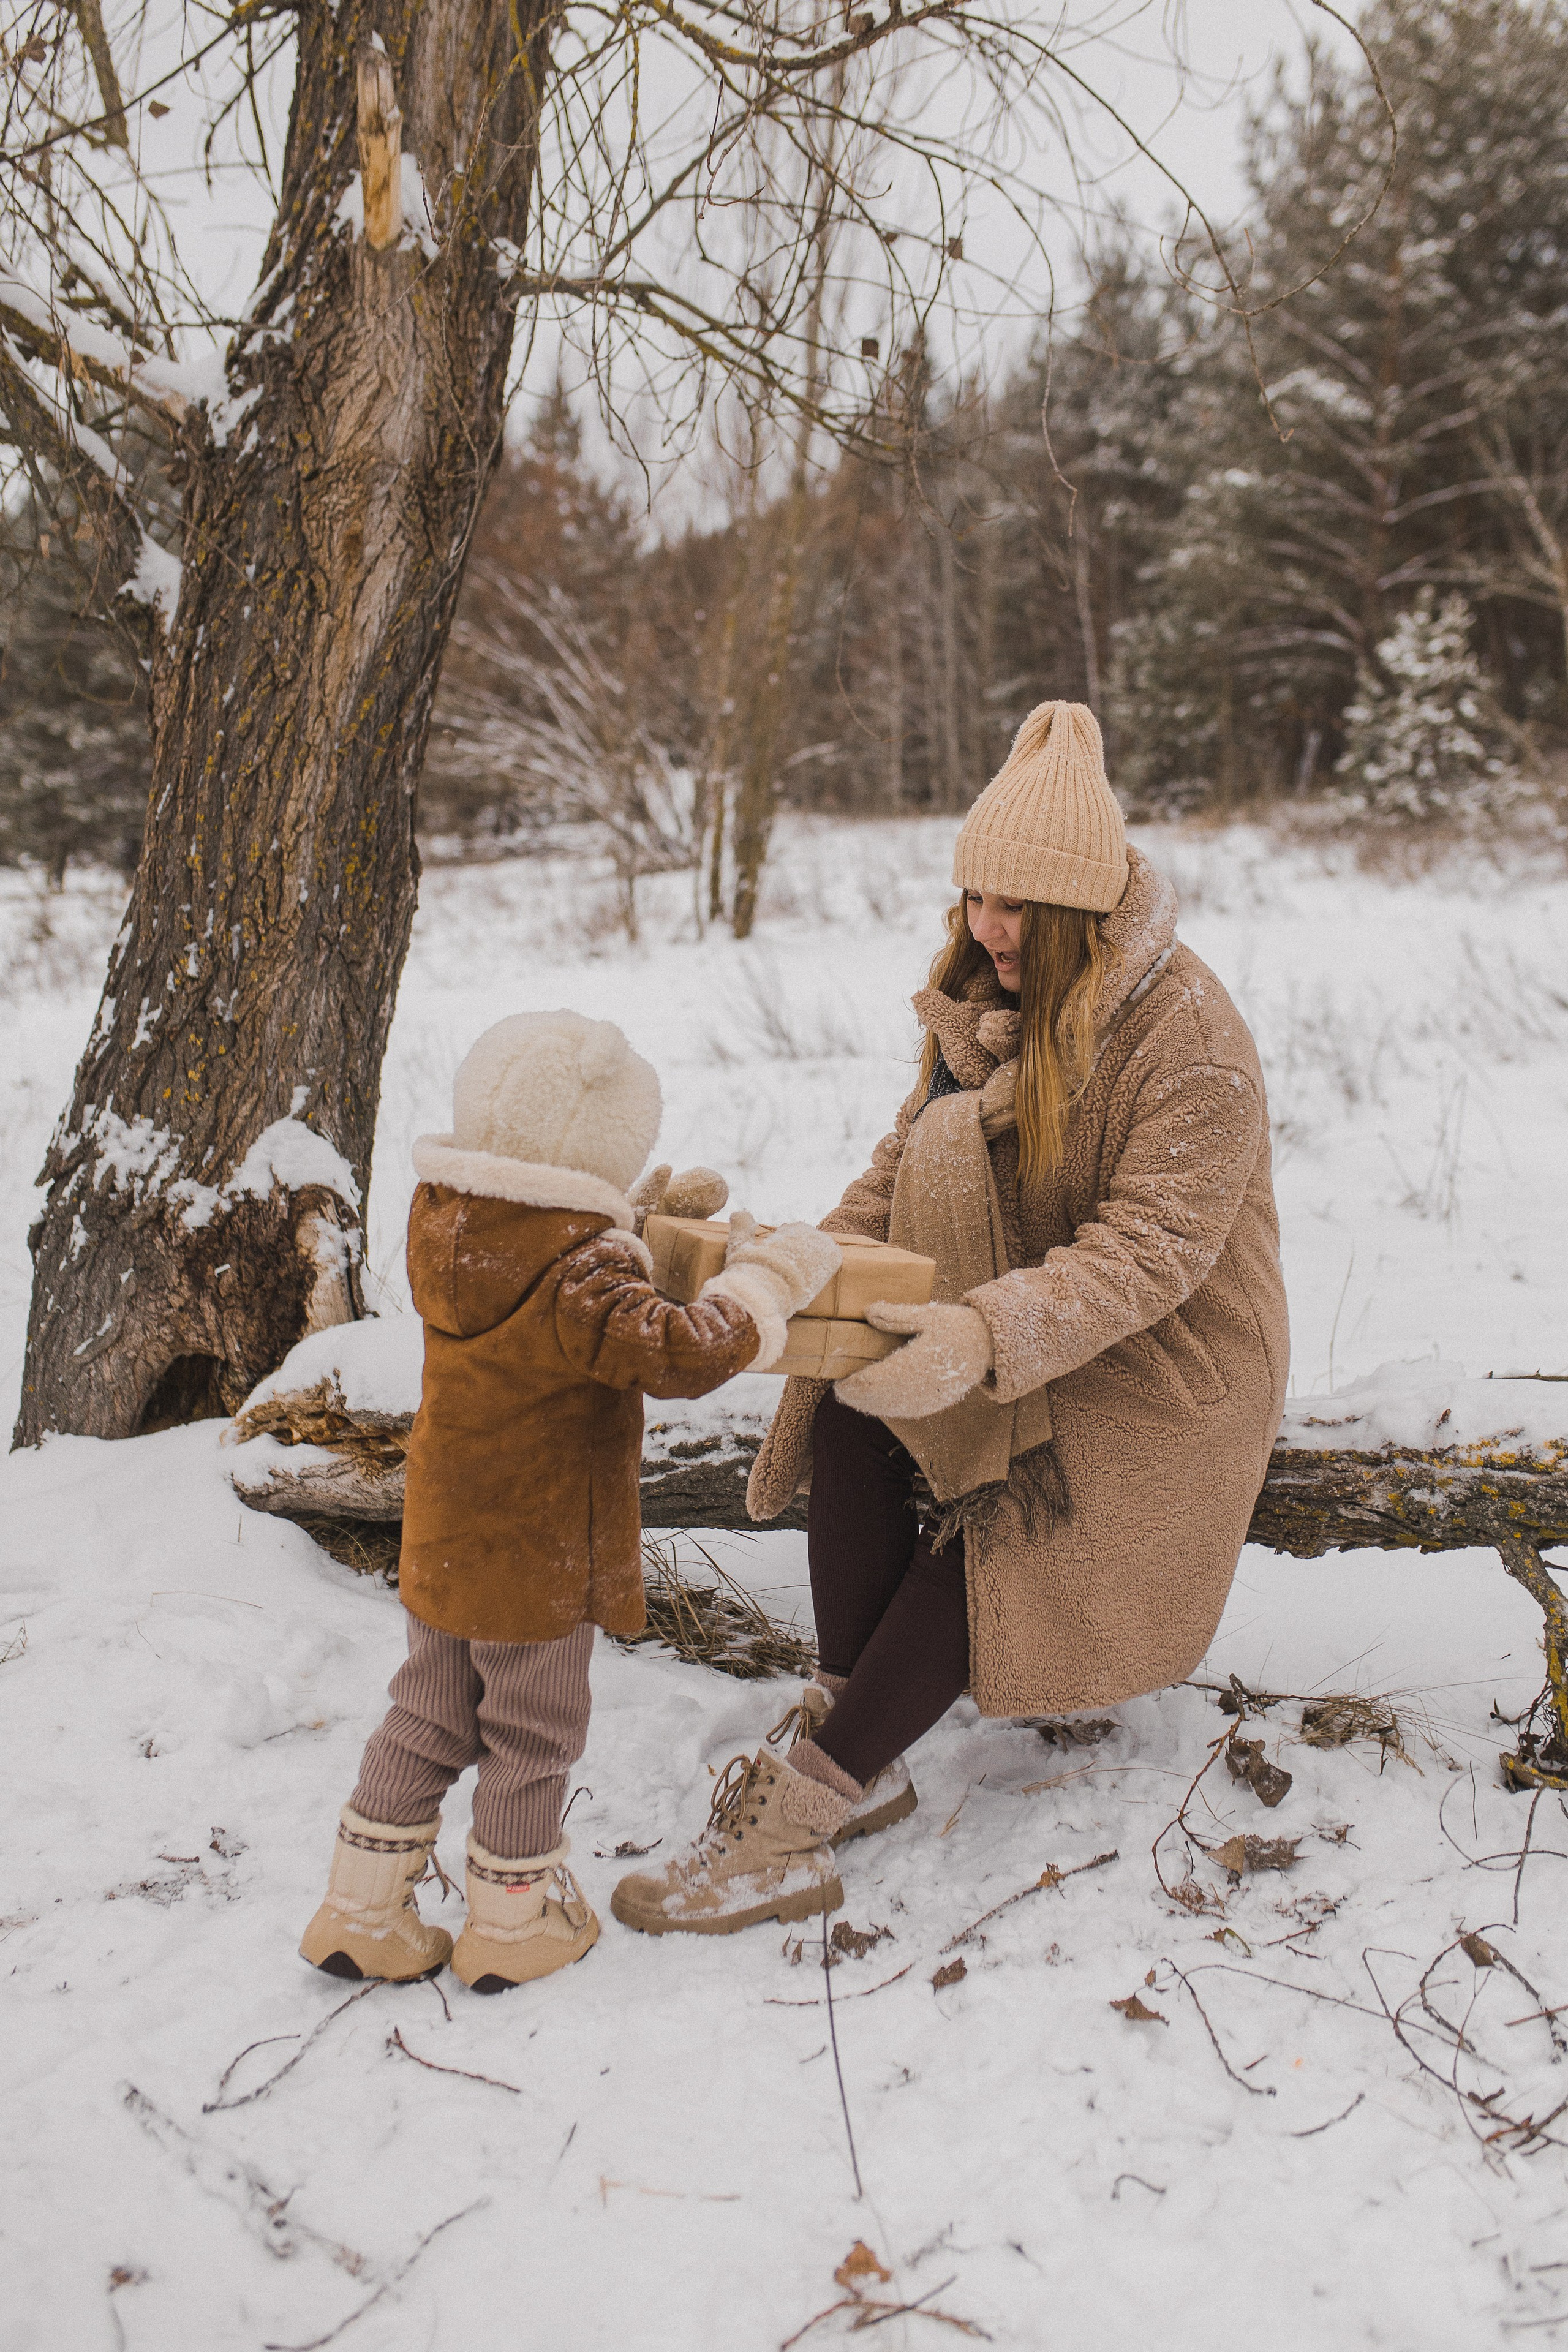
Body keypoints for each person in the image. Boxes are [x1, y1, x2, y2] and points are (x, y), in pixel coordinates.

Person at [612, 699, 1289, 1937]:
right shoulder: (981, 999)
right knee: (851, 1387)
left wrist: (980, 1341)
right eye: (975, 898)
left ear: (1085, 912)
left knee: (1009, 1493)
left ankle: (808, 1807)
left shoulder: (1188, 1037)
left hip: (1165, 1355)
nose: (988, 928)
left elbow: (1149, 1255)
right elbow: (889, 1175)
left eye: (1018, 907)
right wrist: (791, 1274)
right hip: (1010, 1298)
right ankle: (850, 1711)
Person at [299, 1009, 840, 1991]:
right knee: (530, 1730)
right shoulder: (581, 1274)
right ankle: (513, 1917)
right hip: (538, 1554)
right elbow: (676, 1352)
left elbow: (547, 1272)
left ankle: (359, 1904)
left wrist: (626, 1219)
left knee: (427, 1712)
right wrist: (766, 1283)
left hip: (446, 1536)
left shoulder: (445, 1215)